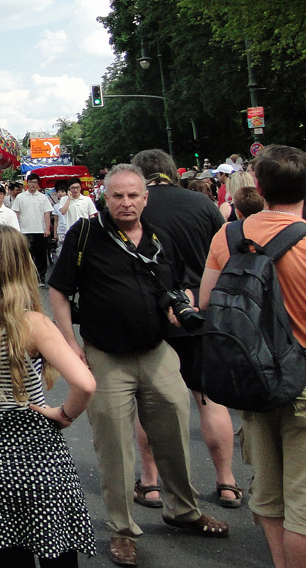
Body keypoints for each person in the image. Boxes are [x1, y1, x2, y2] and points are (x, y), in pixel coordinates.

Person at [48, 164, 228, 567]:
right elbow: (59, 291)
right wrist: (70, 343)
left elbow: (179, 282)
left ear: (145, 198)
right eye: (118, 196)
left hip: (157, 352)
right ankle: (122, 530)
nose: (126, 202)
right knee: (114, 448)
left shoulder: (160, 236)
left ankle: (183, 510)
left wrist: (181, 307)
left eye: (133, 195)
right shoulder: (85, 234)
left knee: (175, 434)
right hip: (107, 357)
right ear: (104, 197)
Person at [0, 225, 96, 567]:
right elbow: (85, 384)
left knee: (10, 556)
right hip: (41, 453)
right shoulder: (34, 324)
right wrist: (64, 415)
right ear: (23, 265)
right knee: (56, 551)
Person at [200, 145, 306, 568]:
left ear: (258, 187)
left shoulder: (227, 237)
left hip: (254, 375)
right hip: (303, 381)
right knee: (303, 499)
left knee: (269, 492)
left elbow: (208, 302)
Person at [130, 149, 240, 511]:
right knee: (209, 399)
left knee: (149, 404)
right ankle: (226, 481)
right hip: (200, 312)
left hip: (152, 316)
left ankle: (150, 482)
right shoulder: (202, 204)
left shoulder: (135, 207)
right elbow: (226, 255)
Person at [11, 174, 55, 282]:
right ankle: (26, 277)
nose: (32, 185)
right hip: (24, 231)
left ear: (37, 184)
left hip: (40, 230)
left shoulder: (43, 197)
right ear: (27, 183)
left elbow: (47, 214)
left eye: (35, 182)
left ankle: (41, 277)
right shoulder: (20, 197)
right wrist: (16, 229)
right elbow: (16, 213)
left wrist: (47, 229)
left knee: (40, 255)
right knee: (25, 255)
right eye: (31, 182)